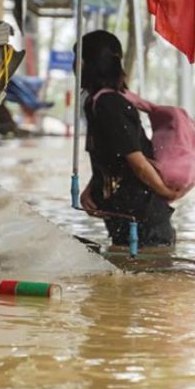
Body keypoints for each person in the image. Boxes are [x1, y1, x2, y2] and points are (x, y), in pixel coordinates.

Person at [78, 30, 182, 247]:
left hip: (143, 218)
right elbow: (112, 155)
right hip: (124, 213)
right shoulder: (95, 103)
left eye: (77, 59)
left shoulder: (110, 105)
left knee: (146, 275)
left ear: (88, 63)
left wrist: (165, 192)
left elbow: (137, 162)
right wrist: (92, 186)